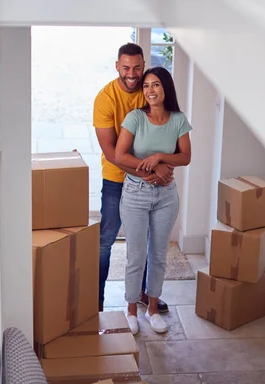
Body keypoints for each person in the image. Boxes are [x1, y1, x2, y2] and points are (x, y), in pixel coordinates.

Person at [93, 43, 173, 314]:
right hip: (117, 180)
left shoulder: (149, 90)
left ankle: (144, 294)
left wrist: (163, 163)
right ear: (117, 66)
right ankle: (96, 305)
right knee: (106, 241)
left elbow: (166, 128)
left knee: (151, 239)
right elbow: (112, 153)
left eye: (137, 67)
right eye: (126, 67)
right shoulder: (105, 99)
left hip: (149, 181)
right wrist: (152, 170)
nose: (132, 73)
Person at [115, 66, 192, 334]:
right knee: (136, 256)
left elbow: (185, 156)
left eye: (156, 84)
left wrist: (160, 157)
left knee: (159, 256)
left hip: (166, 196)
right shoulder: (135, 118)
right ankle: (132, 311)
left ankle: (152, 310)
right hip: (135, 194)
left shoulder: (178, 119)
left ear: (165, 88)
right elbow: (120, 156)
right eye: (146, 85)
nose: (150, 90)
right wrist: (149, 170)